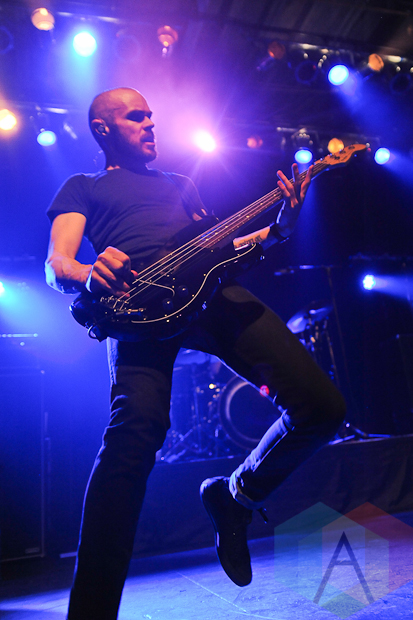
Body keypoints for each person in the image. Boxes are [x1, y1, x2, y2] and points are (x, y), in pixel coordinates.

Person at [45, 87, 346, 620]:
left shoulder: (181, 183)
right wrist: (90, 273)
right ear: (103, 129)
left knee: (323, 408)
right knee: (131, 442)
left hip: (211, 297)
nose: (150, 123)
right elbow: (57, 265)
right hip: (137, 309)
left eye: (151, 115)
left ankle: (235, 497)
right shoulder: (84, 186)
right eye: (136, 116)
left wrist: (279, 229)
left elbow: (217, 248)